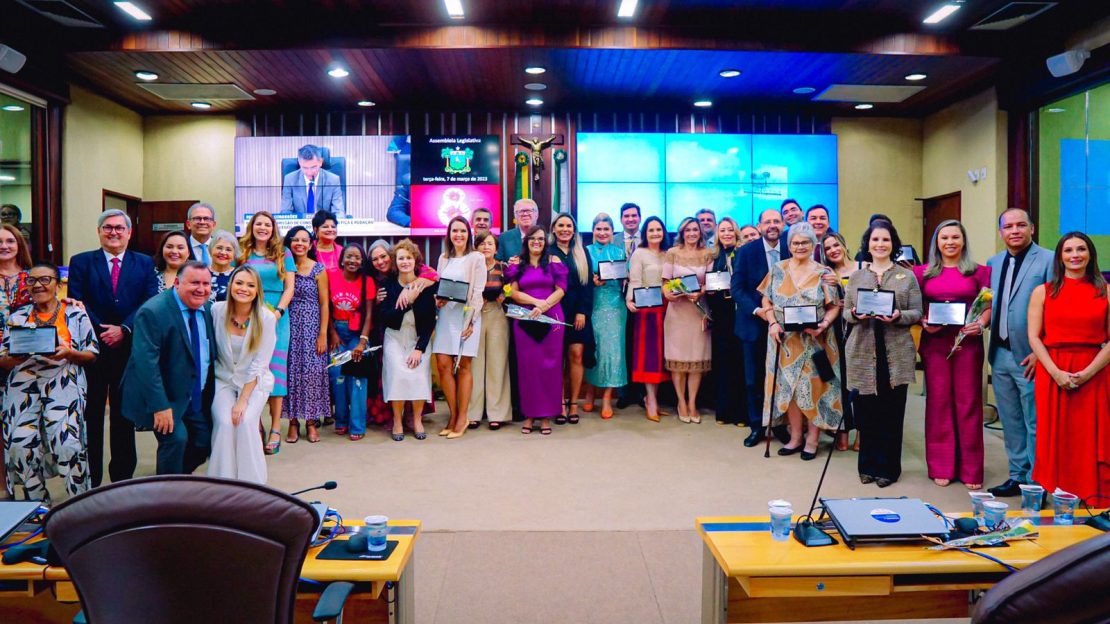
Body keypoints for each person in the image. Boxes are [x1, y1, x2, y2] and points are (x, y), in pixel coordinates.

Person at [67, 209, 158, 486]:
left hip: (128, 350)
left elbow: (149, 301)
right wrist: (102, 331)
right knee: (91, 416)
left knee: (123, 417)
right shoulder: (81, 261)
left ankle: (121, 480)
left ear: (129, 232)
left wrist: (124, 330)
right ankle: (91, 480)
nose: (114, 232)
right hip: (91, 352)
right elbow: (76, 300)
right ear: (99, 231)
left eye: (120, 228)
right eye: (108, 227)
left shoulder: (143, 263)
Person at [0, 263, 98, 503]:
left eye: (45, 279)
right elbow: (3, 359)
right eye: (32, 281)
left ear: (57, 284)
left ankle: (80, 505)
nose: (38, 286)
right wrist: (14, 358)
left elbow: (92, 353)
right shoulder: (17, 316)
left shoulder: (75, 313)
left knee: (68, 444)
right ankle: (37, 505)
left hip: (63, 381)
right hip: (22, 384)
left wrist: (68, 353)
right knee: (20, 447)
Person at [1027, 232, 1110, 501]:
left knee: (1089, 436)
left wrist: (1087, 373)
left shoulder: (1106, 291)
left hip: (1094, 371)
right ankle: (1058, 494)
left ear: (1090, 254)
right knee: (1055, 437)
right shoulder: (1043, 291)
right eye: (1068, 250)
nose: (1075, 255)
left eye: (1081, 249)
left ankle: (1092, 494)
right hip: (1053, 369)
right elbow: (1034, 337)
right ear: (1060, 257)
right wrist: (1055, 373)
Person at [914, 219, 991, 490]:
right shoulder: (922, 272)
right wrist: (923, 321)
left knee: (968, 402)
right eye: (944, 237)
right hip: (935, 344)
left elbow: (987, 306)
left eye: (955, 237)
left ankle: (971, 468)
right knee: (938, 403)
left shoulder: (980, 272)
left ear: (963, 241)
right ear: (937, 241)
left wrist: (981, 323)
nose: (950, 242)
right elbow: (915, 306)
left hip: (967, 344)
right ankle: (941, 465)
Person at [844, 221, 922, 486]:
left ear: (893, 244)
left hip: (895, 352)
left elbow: (917, 312)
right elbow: (845, 311)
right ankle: (867, 466)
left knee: (891, 412)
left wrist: (900, 316)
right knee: (866, 413)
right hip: (862, 352)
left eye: (885, 240)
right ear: (867, 244)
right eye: (875, 240)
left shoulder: (906, 276)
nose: (880, 244)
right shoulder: (856, 276)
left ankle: (888, 469)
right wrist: (855, 315)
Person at [121, 261, 216, 475]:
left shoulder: (210, 310)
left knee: (204, 442)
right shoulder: (153, 311)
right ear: (176, 283)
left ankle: (176, 479)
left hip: (193, 395)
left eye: (206, 283)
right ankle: (167, 498)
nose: (201, 289)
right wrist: (160, 406)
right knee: (176, 440)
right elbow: (146, 365)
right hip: (162, 395)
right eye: (194, 283)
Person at [985, 209, 1054, 498]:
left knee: (1034, 420)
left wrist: (1043, 351)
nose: (1014, 230)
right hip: (999, 353)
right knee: (1010, 419)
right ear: (1001, 232)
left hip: (1030, 355)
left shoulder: (1049, 260)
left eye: (1020, 225)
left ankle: (1037, 481)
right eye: (1008, 226)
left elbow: (1055, 309)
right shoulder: (994, 262)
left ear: (1032, 228)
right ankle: (1017, 475)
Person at [759, 222, 842, 460]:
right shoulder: (777, 269)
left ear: (814, 244)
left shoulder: (824, 272)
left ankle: (812, 440)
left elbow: (834, 305)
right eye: (795, 242)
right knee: (791, 390)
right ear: (789, 245)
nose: (800, 246)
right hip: (784, 341)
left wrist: (824, 325)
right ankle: (795, 437)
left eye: (805, 242)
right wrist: (772, 322)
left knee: (814, 389)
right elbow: (767, 301)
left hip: (815, 340)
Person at [208, 266, 275, 483]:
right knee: (225, 423)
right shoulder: (217, 310)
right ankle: (223, 483)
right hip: (224, 378)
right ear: (230, 285)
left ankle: (253, 485)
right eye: (239, 283)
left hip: (254, 382)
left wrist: (242, 401)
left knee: (245, 422)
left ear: (257, 291)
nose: (243, 288)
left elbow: (259, 363)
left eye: (250, 285)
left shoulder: (266, 318)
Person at [238, 211, 295, 454]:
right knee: (251, 369)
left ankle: (275, 428)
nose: (263, 228)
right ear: (252, 227)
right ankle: (255, 425)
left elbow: (289, 287)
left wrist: (278, 312)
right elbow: (235, 283)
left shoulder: (283, 253)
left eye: (267, 225)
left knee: (276, 373)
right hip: (247, 316)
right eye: (258, 224)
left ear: (273, 229)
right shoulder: (242, 252)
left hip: (277, 319)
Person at [367, 240, 438, 427]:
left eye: (408, 257)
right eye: (400, 258)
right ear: (395, 261)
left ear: (415, 260)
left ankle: (416, 419)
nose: (405, 262)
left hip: (419, 338)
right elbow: (387, 318)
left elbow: (430, 321)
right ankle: (397, 420)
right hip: (395, 337)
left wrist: (419, 349)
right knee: (397, 375)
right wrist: (408, 300)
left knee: (419, 375)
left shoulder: (426, 285)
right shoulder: (387, 285)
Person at [731, 209, 787, 446]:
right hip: (753, 324)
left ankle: (780, 424)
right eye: (767, 222)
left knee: (783, 378)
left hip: (787, 326)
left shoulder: (792, 248)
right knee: (754, 379)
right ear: (759, 225)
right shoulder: (745, 252)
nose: (772, 225)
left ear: (783, 224)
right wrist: (758, 311)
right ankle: (757, 425)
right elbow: (738, 289)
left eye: (776, 221)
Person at [505, 225, 567, 435]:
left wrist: (543, 307)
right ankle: (530, 415)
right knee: (528, 368)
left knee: (550, 367)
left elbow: (561, 290)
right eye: (532, 238)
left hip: (552, 319)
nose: (537, 242)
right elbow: (513, 293)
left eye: (541, 239)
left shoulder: (554, 263)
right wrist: (535, 303)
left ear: (546, 241)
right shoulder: (516, 264)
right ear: (526, 241)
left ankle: (547, 415)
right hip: (525, 320)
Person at [432, 216, 487, 439]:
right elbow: (441, 287)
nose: (459, 235)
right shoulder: (443, 258)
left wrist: (471, 322)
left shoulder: (477, 258)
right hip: (446, 317)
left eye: (463, 231)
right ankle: (453, 415)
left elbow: (477, 293)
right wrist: (439, 300)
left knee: (464, 367)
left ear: (469, 234)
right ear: (449, 234)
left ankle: (462, 417)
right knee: (443, 364)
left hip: (466, 319)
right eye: (455, 231)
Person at [662, 217, 713, 424]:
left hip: (698, 311)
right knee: (678, 361)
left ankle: (692, 402)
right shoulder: (673, 253)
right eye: (688, 230)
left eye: (695, 230)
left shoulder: (708, 254)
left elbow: (710, 282)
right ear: (682, 233)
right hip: (677, 312)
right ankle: (680, 401)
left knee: (696, 361)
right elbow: (665, 282)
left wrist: (700, 293)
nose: (692, 233)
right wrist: (668, 294)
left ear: (700, 232)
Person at [282, 226, 330, 444]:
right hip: (288, 325)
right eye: (295, 240)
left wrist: (322, 334)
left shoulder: (318, 269)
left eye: (304, 240)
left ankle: (311, 422)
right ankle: (293, 422)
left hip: (312, 328)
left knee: (312, 375)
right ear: (289, 243)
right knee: (290, 374)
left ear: (311, 244)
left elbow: (324, 302)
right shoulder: (283, 267)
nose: (299, 244)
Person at [327, 243, 375, 440]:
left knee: (357, 378)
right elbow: (325, 307)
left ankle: (357, 425)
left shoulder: (367, 281)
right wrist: (332, 333)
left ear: (362, 261)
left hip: (358, 332)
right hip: (336, 330)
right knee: (337, 375)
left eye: (357, 257)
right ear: (342, 258)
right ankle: (341, 420)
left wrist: (362, 343)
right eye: (349, 256)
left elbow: (369, 314)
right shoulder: (330, 275)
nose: (352, 261)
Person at [550, 213, 593, 423]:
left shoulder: (582, 252)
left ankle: (573, 403)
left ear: (574, 230)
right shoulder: (547, 252)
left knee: (576, 354)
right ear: (554, 229)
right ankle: (559, 403)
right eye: (561, 225)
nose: (565, 229)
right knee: (558, 358)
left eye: (569, 226)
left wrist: (583, 311)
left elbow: (588, 285)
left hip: (578, 313)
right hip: (555, 311)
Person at [583, 214, 628, 420]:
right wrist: (592, 281)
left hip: (616, 307)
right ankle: (590, 392)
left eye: (606, 229)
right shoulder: (586, 252)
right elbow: (581, 279)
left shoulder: (620, 252)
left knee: (613, 352)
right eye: (598, 229)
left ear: (612, 232)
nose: (602, 233)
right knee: (595, 350)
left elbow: (626, 280)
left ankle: (608, 397)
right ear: (593, 230)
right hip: (594, 305)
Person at [626, 216, 670, 421]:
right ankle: (650, 399)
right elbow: (634, 279)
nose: (655, 233)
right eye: (651, 230)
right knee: (649, 355)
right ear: (645, 233)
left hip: (669, 308)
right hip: (647, 308)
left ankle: (655, 398)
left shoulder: (668, 254)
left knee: (663, 355)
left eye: (658, 230)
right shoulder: (640, 253)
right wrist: (629, 300)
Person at [822, 231, 863, 451]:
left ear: (844, 245)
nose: (833, 250)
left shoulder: (862, 266)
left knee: (861, 383)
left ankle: (863, 434)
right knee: (841, 383)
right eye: (828, 248)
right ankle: (844, 430)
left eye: (836, 245)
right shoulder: (826, 272)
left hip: (861, 331)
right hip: (836, 332)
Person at [467, 232, 511, 429]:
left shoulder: (504, 268)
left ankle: (497, 413)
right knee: (475, 364)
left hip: (497, 313)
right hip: (474, 314)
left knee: (497, 363)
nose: (486, 247)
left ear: (496, 247)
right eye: (482, 243)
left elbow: (512, 288)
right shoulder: (470, 267)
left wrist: (503, 294)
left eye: (490, 244)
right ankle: (472, 413)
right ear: (476, 246)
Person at [0, 224, 31, 496]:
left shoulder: (33, 279)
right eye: (0, 241)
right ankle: (2, 488)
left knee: (21, 428)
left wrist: (72, 303)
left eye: (10, 240)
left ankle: (28, 486)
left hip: (25, 363)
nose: (5, 246)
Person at [706, 217, 744, 426]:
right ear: (718, 234)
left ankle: (740, 413)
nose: (727, 234)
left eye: (730, 230)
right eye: (723, 231)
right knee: (722, 363)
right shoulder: (714, 256)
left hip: (739, 313)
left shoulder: (742, 253)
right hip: (720, 313)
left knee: (738, 363)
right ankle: (723, 411)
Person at [613, 202, 643, 410]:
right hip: (616, 296)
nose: (631, 219)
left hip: (643, 296)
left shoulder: (649, 238)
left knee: (640, 343)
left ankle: (641, 392)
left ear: (640, 218)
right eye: (626, 216)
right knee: (622, 344)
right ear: (621, 219)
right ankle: (623, 392)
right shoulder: (613, 239)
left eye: (634, 216)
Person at [280, 144, 345, 216]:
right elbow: (286, 212)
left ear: (320, 162)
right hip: (299, 225)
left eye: (313, 167)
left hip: (323, 225)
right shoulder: (289, 180)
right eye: (305, 168)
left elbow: (339, 211)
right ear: (299, 163)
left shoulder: (333, 180)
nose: (309, 172)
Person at [207, 230, 238, 302]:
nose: (223, 252)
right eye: (219, 248)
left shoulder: (239, 275)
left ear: (234, 255)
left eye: (228, 249)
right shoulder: (201, 273)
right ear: (210, 250)